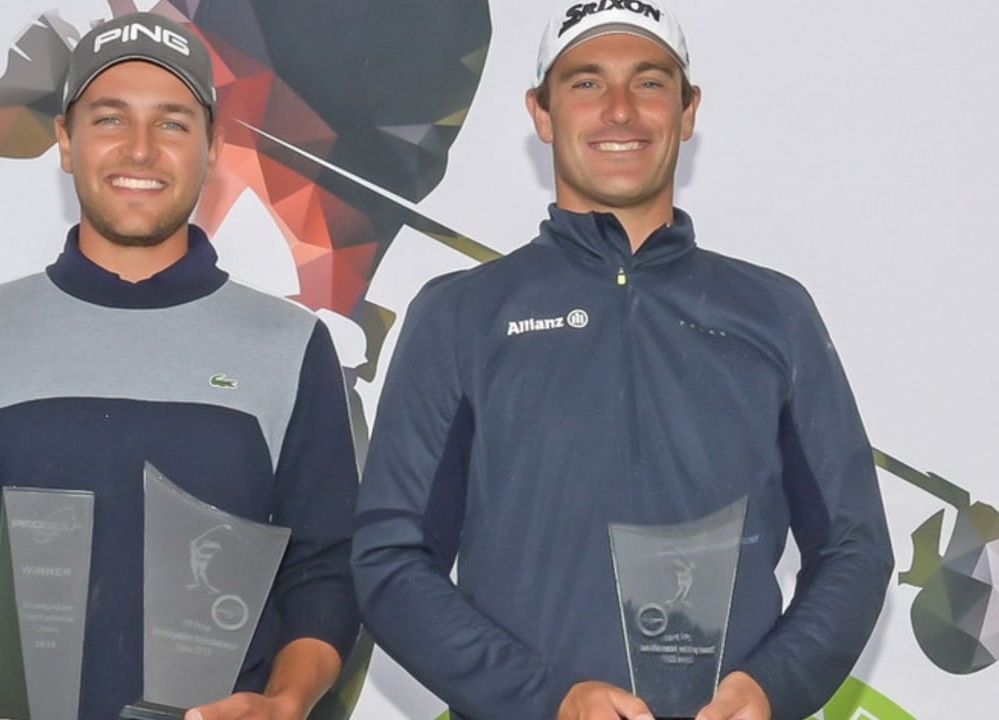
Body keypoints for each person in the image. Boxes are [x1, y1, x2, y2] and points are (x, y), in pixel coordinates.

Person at [351, 2, 893, 720]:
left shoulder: (775, 314)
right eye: (585, 84)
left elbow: (856, 548)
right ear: (540, 114)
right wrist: (545, 700)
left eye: (648, 83)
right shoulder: (461, 314)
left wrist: (770, 688)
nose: (619, 111)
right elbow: (390, 559)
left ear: (688, 109)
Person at [0, 12, 359, 720]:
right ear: (65, 141)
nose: (140, 149)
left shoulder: (288, 343)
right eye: (109, 119)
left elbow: (328, 567)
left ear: (212, 147)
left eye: (173, 123)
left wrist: (285, 701)